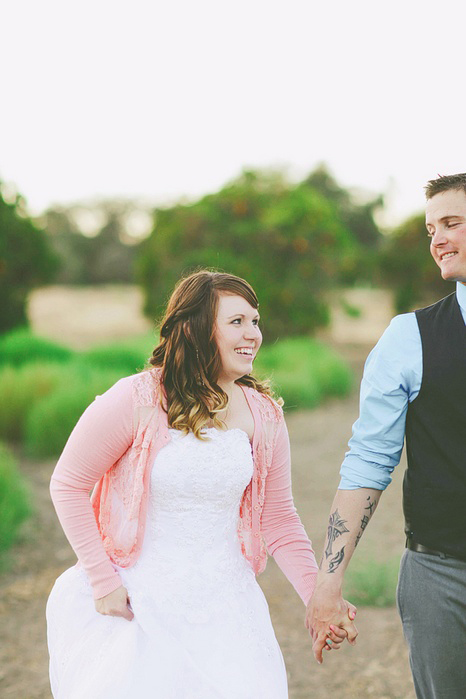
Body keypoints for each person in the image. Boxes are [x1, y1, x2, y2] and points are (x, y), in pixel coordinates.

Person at [46, 270, 346, 699]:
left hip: (228, 609)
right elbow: (68, 484)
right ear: (195, 328)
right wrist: (102, 581)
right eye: (236, 322)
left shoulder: (263, 415)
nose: (253, 334)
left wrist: (317, 599)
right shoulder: (136, 399)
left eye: (255, 321)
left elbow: (277, 519)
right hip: (141, 605)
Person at [306, 174, 466, 698]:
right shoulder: (407, 339)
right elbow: (369, 462)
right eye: (430, 229)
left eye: (452, 223)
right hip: (441, 578)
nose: (437, 239)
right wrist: (327, 582)